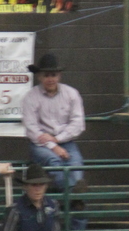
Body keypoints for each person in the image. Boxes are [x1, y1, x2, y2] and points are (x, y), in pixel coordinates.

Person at [21, 53, 86, 189]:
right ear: (39, 77)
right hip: (41, 145)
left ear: (59, 76)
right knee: (54, 161)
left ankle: (71, 196)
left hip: (66, 141)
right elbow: (32, 129)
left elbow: (78, 123)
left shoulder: (71, 94)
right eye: (46, 75)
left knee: (76, 163)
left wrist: (57, 139)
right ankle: (74, 195)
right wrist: (53, 146)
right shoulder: (30, 97)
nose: (50, 79)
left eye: (53, 75)